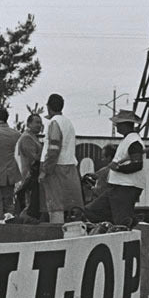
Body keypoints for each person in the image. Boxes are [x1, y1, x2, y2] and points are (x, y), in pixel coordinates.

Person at [83, 109, 145, 227]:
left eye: (118, 123)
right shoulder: (129, 140)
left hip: (126, 187)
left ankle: (129, 223)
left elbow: (137, 165)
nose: (116, 126)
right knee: (92, 211)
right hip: (118, 187)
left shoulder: (134, 142)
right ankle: (130, 219)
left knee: (121, 222)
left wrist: (118, 168)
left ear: (125, 125)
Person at [40, 93, 83, 224]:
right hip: (69, 165)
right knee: (71, 205)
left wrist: (46, 170)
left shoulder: (54, 123)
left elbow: (53, 149)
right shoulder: (68, 122)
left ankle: (56, 232)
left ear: (48, 107)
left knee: (55, 205)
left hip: (56, 167)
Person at [13, 113, 45, 222]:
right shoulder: (27, 138)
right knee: (28, 206)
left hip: (30, 176)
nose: (39, 125)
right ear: (28, 123)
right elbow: (34, 158)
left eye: (40, 123)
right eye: (36, 122)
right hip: (28, 176)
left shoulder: (32, 137)